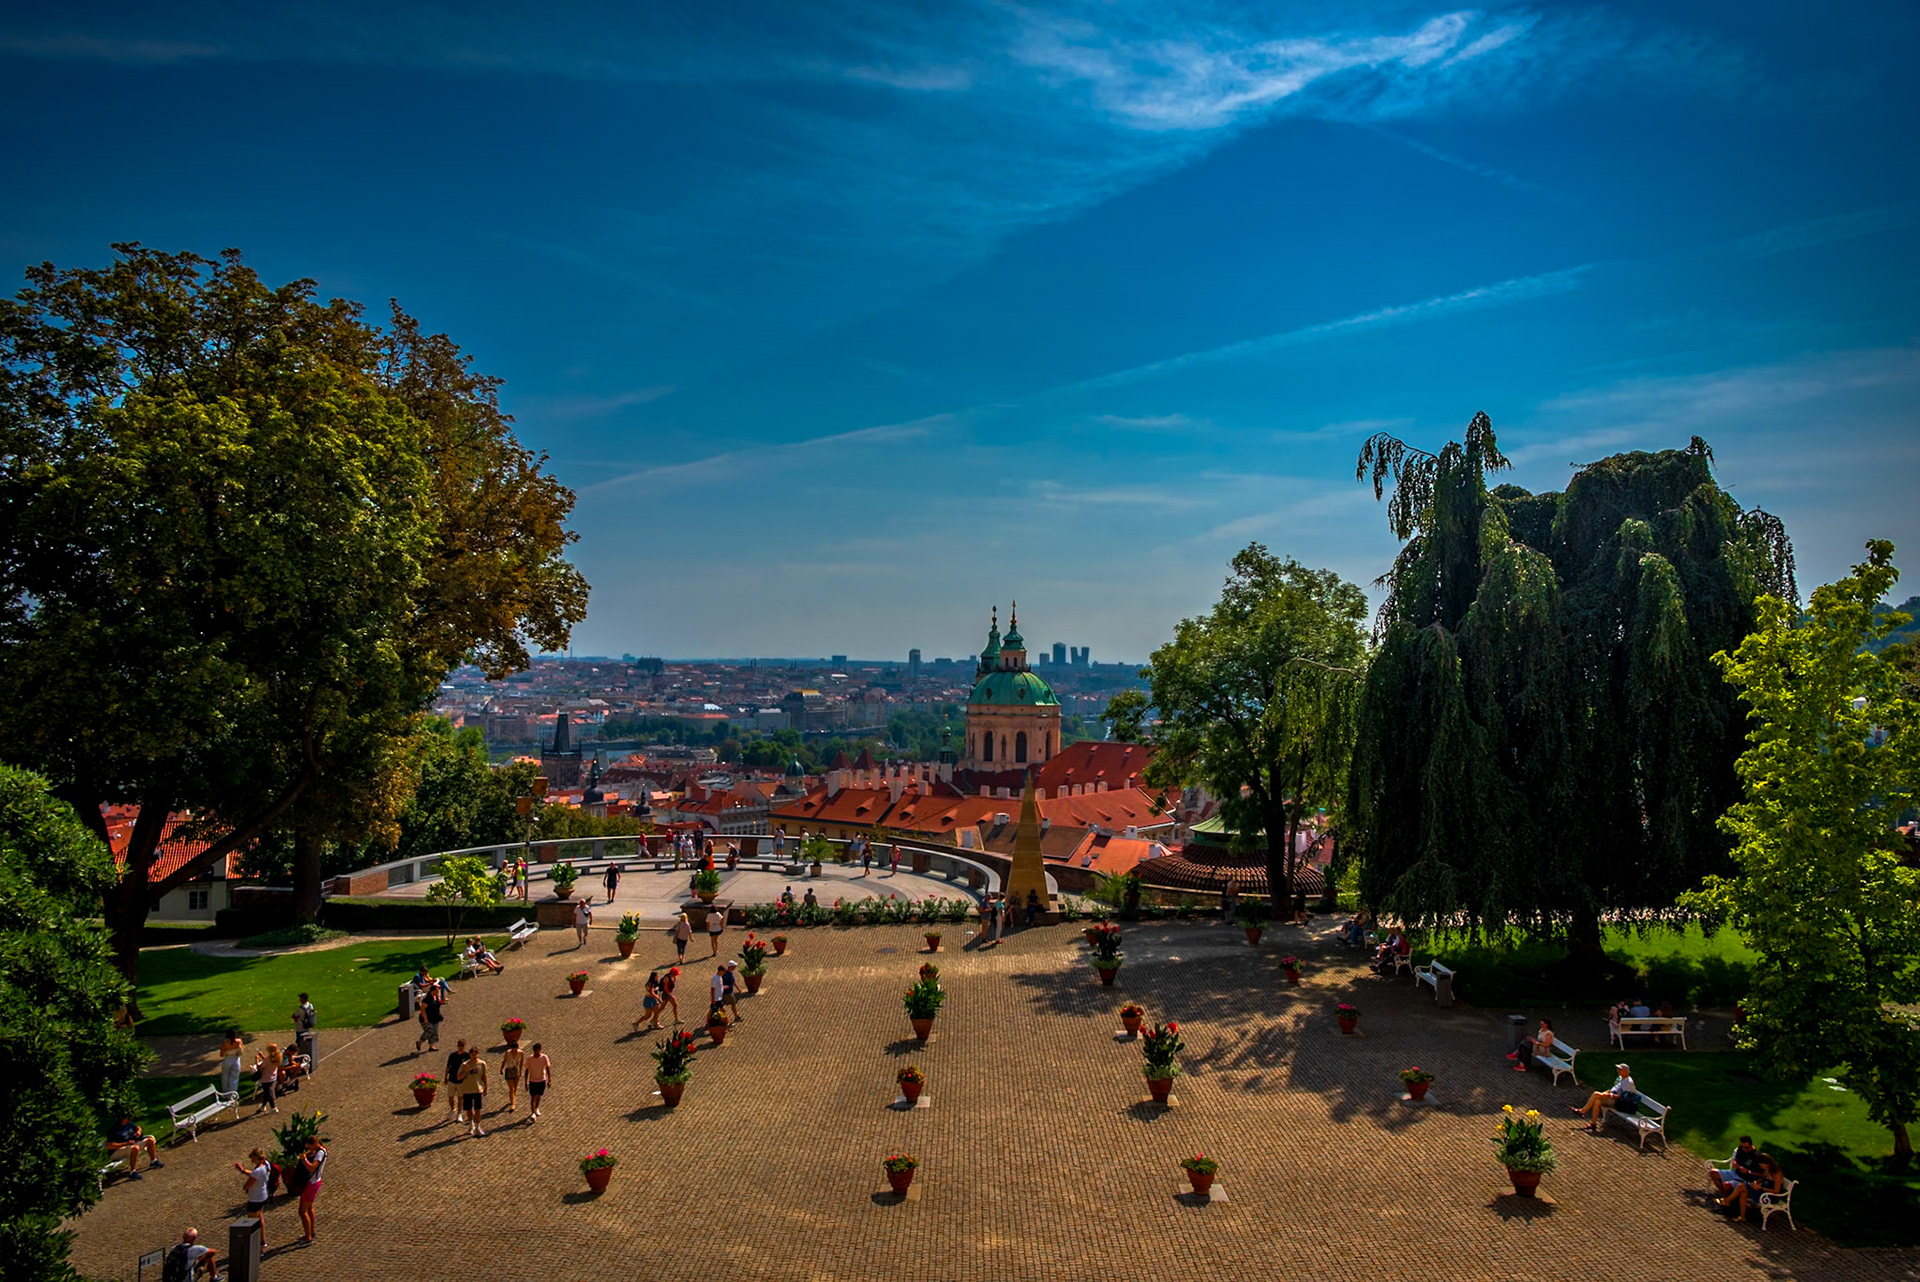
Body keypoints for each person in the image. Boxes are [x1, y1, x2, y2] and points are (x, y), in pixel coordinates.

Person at [1717, 1151, 1785, 1220]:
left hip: (1769, 1196)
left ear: (1767, 1163)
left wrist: (1761, 1188)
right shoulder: (1766, 1170)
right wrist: (1755, 1183)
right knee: (1743, 1192)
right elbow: (1761, 1179)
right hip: (1761, 1191)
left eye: (1761, 1164)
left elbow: (1776, 1191)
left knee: (1742, 1186)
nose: (1760, 1166)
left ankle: (1726, 1201)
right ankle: (1742, 1216)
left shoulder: (1776, 1174)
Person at [1574, 1063, 1639, 1130]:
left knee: (1596, 1094)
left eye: (1620, 1069)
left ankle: (1582, 1111)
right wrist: (1605, 1093)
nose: (1618, 1070)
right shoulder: (1619, 1078)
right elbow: (1614, 1088)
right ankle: (1593, 1124)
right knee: (1597, 1101)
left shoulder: (1629, 1082)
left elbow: (1624, 1097)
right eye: (1618, 1069)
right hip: (1613, 1098)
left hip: (1622, 1103)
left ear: (1626, 1071)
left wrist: (1609, 1095)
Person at [234, 1147, 271, 1248]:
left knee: (253, 1224)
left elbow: (248, 1184)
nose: (251, 1160)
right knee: (260, 1219)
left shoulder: (257, 1171)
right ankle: (262, 1242)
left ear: (257, 1158)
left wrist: (244, 1187)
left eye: (253, 1158)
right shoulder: (266, 1165)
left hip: (255, 1198)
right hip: (262, 1195)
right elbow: (255, 1175)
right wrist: (243, 1171)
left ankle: (257, 1247)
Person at [297, 1133, 327, 1242]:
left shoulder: (319, 1154)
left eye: (309, 1146)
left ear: (315, 1144)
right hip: (314, 1182)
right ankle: (311, 1231)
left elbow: (311, 1168)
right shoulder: (319, 1150)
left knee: (302, 1211)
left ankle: (308, 1237)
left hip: (311, 1183)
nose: (308, 1149)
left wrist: (304, 1159)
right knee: (309, 1208)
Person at [459, 1046, 489, 1137]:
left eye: (476, 1054)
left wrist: (486, 1087)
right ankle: (471, 1124)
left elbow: (484, 1076)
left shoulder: (482, 1064)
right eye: (472, 1055)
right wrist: (465, 1071)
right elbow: (459, 1077)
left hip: (478, 1089)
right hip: (467, 1089)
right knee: (468, 1109)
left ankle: (478, 1126)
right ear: (470, 1055)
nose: (474, 1056)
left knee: (478, 1109)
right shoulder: (464, 1065)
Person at [524, 1042, 552, 1120]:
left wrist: (549, 1080)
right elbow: (527, 1071)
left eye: (538, 1050)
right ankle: (533, 1113)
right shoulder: (530, 1059)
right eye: (535, 1050)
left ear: (540, 1050)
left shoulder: (544, 1057)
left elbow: (547, 1068)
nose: (536, 1052)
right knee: (533, 1097)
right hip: (533, 1080)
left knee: (539, 1095)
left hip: (541, 1080)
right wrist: (526, 1082)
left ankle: (536, 1107)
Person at [444, 1039, 470, 1121]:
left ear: (464, 1046)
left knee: (460, 1097)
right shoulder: (452, 1055)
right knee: (450, 1096)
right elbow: (448, 1067)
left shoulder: (466, 1056)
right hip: (452, 1079)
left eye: (462, 1046)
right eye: (459, 1045)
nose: (461, 1047)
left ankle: (459, 1113)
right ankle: (452, 1109)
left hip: (461, 1081)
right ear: (457, 1046)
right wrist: (445, 1077)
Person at [417, 982, 447, 1053]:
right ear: (433, 991)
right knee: (429, 1031)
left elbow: (438, 1003)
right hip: (427, 1018)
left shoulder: (436, 997)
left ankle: (431, 1046)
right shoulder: (427, 999)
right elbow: (422, 1009)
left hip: (435, 1017)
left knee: (434, 1031)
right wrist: (425, 1018)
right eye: (437, 990)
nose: (438, 991)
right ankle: (420, 1042)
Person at [252, 1045, 282, 1114]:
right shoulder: (277, 1058)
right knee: (267, 1092)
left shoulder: (268, 1059)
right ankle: (263, 1106)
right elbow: (268, 1062)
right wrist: (262, 1056)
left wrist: (256, 1060)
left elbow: (260, 1067)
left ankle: (273, 1107)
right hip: (273, 1077)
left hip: (266, 1078)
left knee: (268, 1093)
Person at [217, 1029, 244, 1097]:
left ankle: (225, 1093)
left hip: (228, 1059)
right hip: (236, 1059)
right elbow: (241, 1052)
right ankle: (233, 1093)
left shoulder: (225, 1044)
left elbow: (222, 1055)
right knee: (234, 1076)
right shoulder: (239, 1041)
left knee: (225, 1076)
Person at [500, 1041, 526, 1111]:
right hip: (509, 1070)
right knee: (511, 1088)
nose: (514, 1050)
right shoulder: (508, 1052)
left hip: (516, 1070)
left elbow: (521, 1062)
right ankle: (513, 1104)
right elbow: (504, 1061)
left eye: (515, 1049)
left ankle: (512, 1097)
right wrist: (501, 1069)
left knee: (515, 1087)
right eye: (513, 1049)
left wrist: (520, 1071)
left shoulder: (521, 1053)